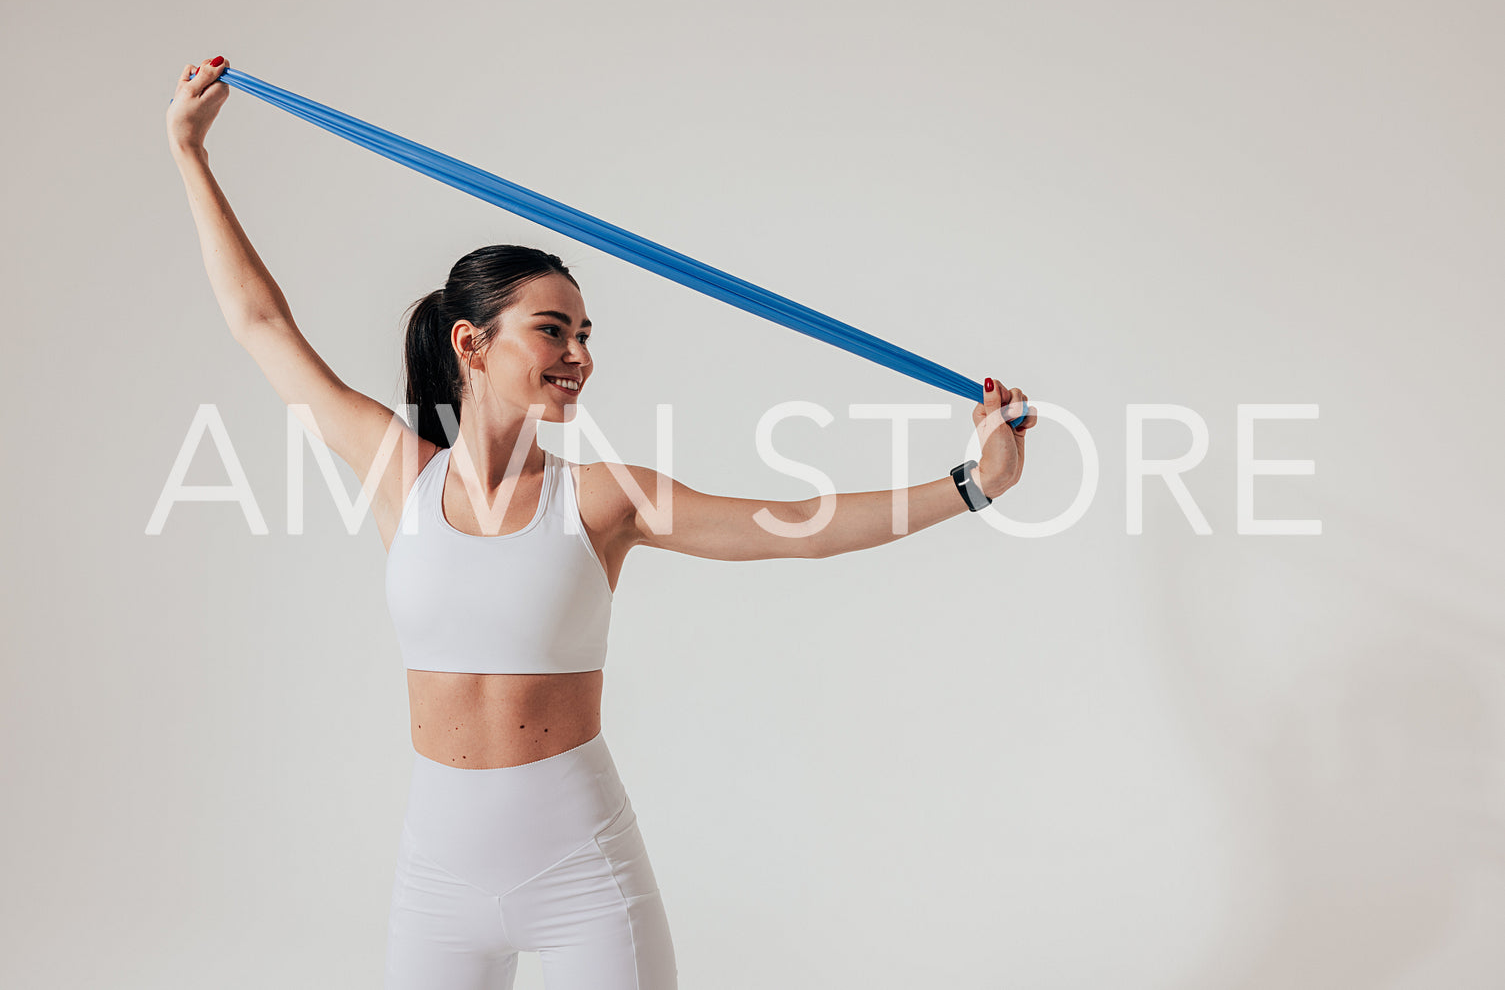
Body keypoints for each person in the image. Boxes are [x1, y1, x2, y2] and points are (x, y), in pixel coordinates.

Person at [167, 55, 1036, 990]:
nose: (580, 354)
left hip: (582, 873)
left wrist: (973, 484)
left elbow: (795, 522)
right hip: (435, 882)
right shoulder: (398, 473)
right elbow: (261, 322)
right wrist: (190, 153)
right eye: (553, 329)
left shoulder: (602, 499)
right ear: (472, 342)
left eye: (586, 336)